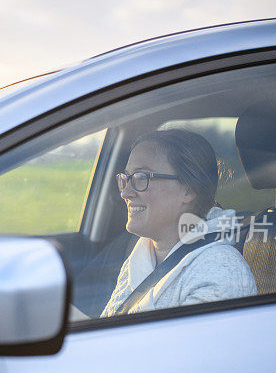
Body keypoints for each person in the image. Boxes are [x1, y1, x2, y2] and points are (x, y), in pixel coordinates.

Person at [100, 129, 256, 317]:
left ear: (188, 190)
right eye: (126, 179)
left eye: (141, 177)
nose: (126, 193)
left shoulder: (220, 270)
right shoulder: (140, 258)